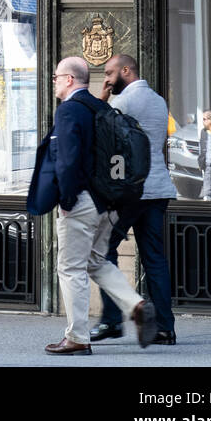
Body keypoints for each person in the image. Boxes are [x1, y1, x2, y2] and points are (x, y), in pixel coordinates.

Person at [27, 56, 156, 356]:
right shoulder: (100, 106)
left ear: (70, 79)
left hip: (81, 202)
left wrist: (67, 201)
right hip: (107, 203)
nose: (55, 81)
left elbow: (68, 159)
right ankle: (135, 304)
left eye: (57, 76)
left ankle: (77, 337)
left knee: (70, 268)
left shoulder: (70, 110)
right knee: (96, 261)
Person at [91, 54, 177, 346]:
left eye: (109, 73)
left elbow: (100, 132)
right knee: (154, 258)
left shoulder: (124, 101)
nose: (106, 79)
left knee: (102, 251)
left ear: (126, 71)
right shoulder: (158, 100)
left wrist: (101, 101)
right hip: (159, 188)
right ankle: (165, 328)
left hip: (132, 190)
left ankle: (113, 320)